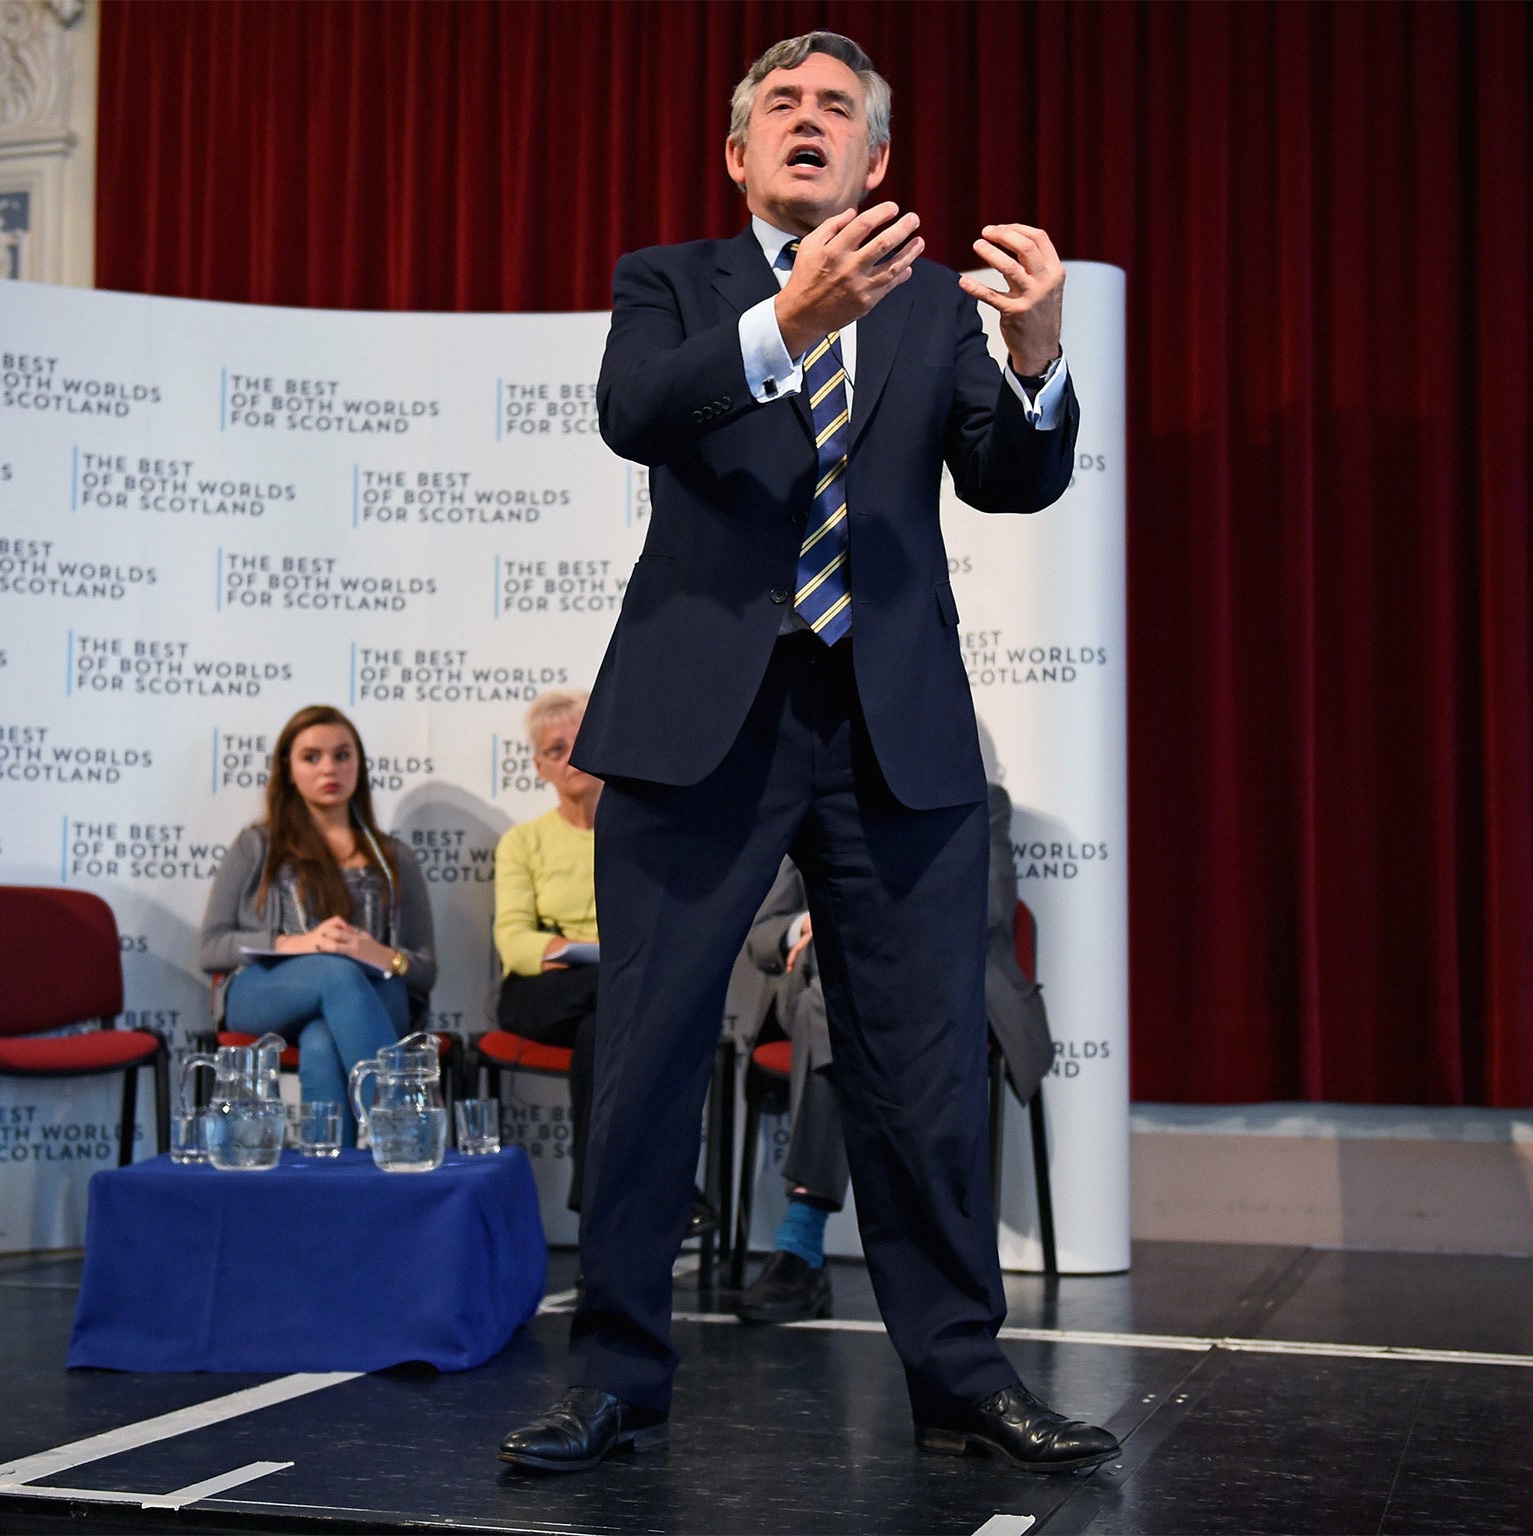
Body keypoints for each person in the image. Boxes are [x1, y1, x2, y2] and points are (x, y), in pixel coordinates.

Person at [500, 32, 1118, 1475]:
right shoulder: (671, 283)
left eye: (838, 108)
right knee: (649, 1059)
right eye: (781, 103)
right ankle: (619, 1383)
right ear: (738, 154)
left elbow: (1008, 477)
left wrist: (1033, 360)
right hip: (699, 721)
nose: (808, 119)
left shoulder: (931, 313)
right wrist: (787, 319)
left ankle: (962, 1379)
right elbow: (634, 414)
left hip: (888, 730)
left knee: (918, 1072)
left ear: (875, 161)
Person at [733, 777, 1055, 1323]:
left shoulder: (972, 795)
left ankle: (800, 1247)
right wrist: (802, 927)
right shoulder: (808, 801)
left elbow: (989, 907)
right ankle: (841, 1244)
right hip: (826, 980)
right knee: (826, 1000)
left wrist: (863, 925)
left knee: (828, 1005)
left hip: (934, 983)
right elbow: (763, 934)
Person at [198, 705, 435, 1140]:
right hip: (269, 991)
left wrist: (380, 954)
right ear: (288, 769)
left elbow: (424, 970)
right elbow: (211, 947)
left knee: (322, 1041)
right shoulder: (256, 845)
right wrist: (298, 943)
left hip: (376, 994)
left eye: (342, 755)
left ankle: (330, 1173)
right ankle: (404, 1128)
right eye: (311, 757)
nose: (330, 768)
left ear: (359, 765)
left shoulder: (395, 857)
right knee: (337, 972)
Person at [491, 690, 602, 1207]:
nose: (571, 758)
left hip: (608, 1001)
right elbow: (514, 944)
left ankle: (595, 1205)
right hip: (541, 994)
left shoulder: (643, 838)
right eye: (556, 750)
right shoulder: (523, 842)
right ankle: (671, 1188)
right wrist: (577, 949)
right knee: (623, 1001)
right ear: (539, 766)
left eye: (580, 743)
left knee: (602, 1032)